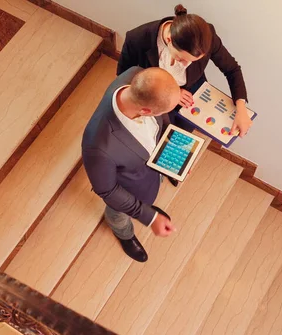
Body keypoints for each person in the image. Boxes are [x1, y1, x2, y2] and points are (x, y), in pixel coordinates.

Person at [82, 67, 181, 262]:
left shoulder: (136, 74)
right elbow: (108, 191)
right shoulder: (99, 145)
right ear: (145, 111)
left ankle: (148, 205)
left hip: (147, 172)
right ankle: (124, 234)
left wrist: (173, 155)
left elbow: (161, 124)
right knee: (117, 214)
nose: (165, 115)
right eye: (164, 112)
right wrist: (149, 217)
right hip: (127, 190)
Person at [117, 4, 253, 138]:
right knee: (155, 135)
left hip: (191, 95)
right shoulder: (137, 38)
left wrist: (241, 108)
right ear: (169, 39)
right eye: (181, 59)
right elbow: (123, 77)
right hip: (155, 97)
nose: (185, 65)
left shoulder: (207, 36)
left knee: (179, 137)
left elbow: (232, 69)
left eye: (193, 61)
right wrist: (172, 92)